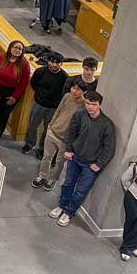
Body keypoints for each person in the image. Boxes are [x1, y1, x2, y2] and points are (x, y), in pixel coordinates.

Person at [49, 91, 116, 227]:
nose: (90, 107)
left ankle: (69, 212)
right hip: (75, 158)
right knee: (67, 184)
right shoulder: (79, 115)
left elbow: (109, 148)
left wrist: (99, 164)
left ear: (99, 105)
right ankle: (61, 206)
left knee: (81, 191)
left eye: (94, 104)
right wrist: (68, 149)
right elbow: (70, 133)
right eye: (88, 103)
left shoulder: (107, 124)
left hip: (90, 164)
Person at [32, 80, 87, 191]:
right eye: (73, 88)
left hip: (66, 140)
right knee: (46, 157)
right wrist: (50, 126)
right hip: (53, 132)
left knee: (59, 163)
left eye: (78, 89)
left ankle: (53, 179)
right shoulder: (67, 96)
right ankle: (42, 176)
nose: (74, 91)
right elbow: (58, 111)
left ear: (84, 92)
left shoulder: (84, 105)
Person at [0, 40, 30, 141]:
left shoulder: (24, 64)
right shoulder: (1, 58)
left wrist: (14, 97)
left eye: (20, 49)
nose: (17, 50)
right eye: (15, 47)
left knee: (3, 114)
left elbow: (23, 83)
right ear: (10, 48)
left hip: (11, 92)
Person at [23, 52, 68, 155]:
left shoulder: (64, 77)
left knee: (48, 129)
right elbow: (33, 84)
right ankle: (29, 144)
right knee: (32, 125)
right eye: (52, 61)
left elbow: (64, 92)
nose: (54, 64)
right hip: (38, 104)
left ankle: (42, 148)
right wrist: (39, 96)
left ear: (61, 64)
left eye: (57, 62)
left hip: (53, 108)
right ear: (48, 61)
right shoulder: (40, 71)